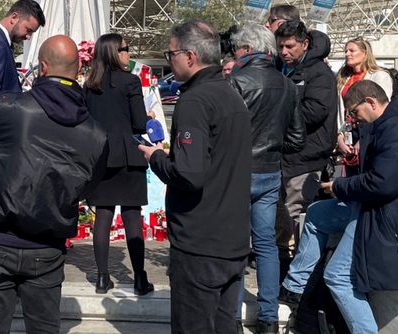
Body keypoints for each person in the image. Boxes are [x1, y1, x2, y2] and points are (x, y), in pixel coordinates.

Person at [280, 81, 398, 334]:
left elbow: (382, 184)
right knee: (316, 214)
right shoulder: (389, 124)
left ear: (371, 102)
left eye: (354, 112)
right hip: (381, 205)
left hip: (397, 215)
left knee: (338, 277)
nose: (353, 119)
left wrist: (338, 186)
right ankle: (295, 289)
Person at [0, 35, 109, 334]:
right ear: (77, 70)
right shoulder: (95, 133)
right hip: (46, 244)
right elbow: (89, 189)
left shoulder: (7, 107)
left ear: (42, 67)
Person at [138, 20, 254, 333]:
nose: (168, 61)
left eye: (170, 53)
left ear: (190, 57)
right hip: (232, 240)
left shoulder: (195, 101)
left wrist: (157, 158)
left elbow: (190, 175)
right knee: (224, 325)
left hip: (201, 243)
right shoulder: (232, 97)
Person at [226, 24, 304, 334]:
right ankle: (269, 318)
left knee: (234, 245)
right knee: (267, 245)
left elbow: (225, 131)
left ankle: (231, 316)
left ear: (245, 49)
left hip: (237, 172)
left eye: (236, 49)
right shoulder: (286, 84)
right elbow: (297, 138)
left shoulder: (236, 80)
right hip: (270, 170)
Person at [82, 33, 154, 296]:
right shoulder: (130, 81)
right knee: (132, 215)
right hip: (127, 154)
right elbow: (138, 122)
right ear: (115, 53)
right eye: (125, 49)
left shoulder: (90, 85)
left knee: (103, 214)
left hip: (101, 155)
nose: (128, 54)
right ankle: (139, 278)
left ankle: (102, 277)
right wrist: (149, 117)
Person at [274, 20, 338, 260]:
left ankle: (295, 271)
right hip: (287, 154)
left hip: (307, 156)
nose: (284, 52)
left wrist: (278, 116)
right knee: (283, 215)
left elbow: (315, 111)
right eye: (281, 46)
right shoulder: (283, 68)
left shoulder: (318, 73)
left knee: (295, 214)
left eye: (289, 46)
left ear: (305, 44)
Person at [335, 38, 394, 177]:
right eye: (345, 51)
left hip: (369, 132)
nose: (347, 54)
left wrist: (364, 139)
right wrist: (339, 137)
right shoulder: (343, 78)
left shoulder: (379, 76)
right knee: (350, 176)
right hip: (348, 133)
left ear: (365, 53)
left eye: (352, 50)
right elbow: (339, 111)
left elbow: (382, 110)